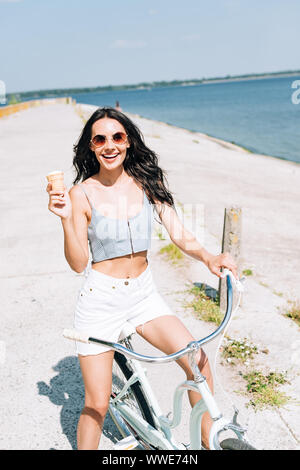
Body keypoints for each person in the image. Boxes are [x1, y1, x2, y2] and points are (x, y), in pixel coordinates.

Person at [46, 107, 237, 450]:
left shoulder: (148, 182)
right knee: (97, 403)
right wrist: (64, 219)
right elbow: (77, 263)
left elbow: (178, 232)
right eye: (99, 138)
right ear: (90, 146)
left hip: (143, 295)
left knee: (199, 364)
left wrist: (209, 257)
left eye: (117, 137)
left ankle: (206, 445)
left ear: (129, 141)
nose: (109, 145)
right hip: (101, 300)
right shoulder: (81, 193)